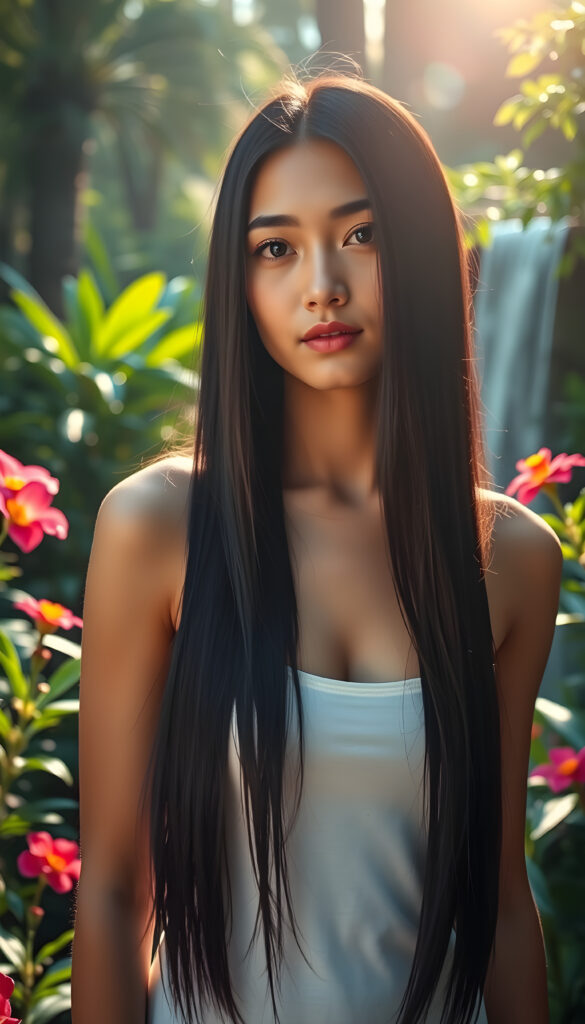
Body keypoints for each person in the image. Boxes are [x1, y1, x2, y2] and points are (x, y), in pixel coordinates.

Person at [71, 68, 562, 1024]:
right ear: (239, 280)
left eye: (361, 234)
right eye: (275, 249)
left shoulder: (510, 557)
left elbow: (500, 899)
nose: (322, 286)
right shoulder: (159, 528)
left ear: (421, 251)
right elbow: (113, 891)